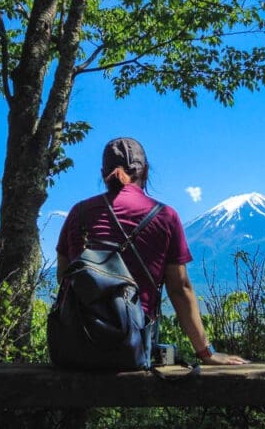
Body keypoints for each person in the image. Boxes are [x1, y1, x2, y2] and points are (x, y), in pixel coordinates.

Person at [55, 137, 247, 366]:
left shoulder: (79, 213)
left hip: (77, 348)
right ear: (145, 171)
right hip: (130, 347)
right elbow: (180, 289)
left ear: (102, 173)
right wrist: (207, 352)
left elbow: (64, 277)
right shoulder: (165, 217)